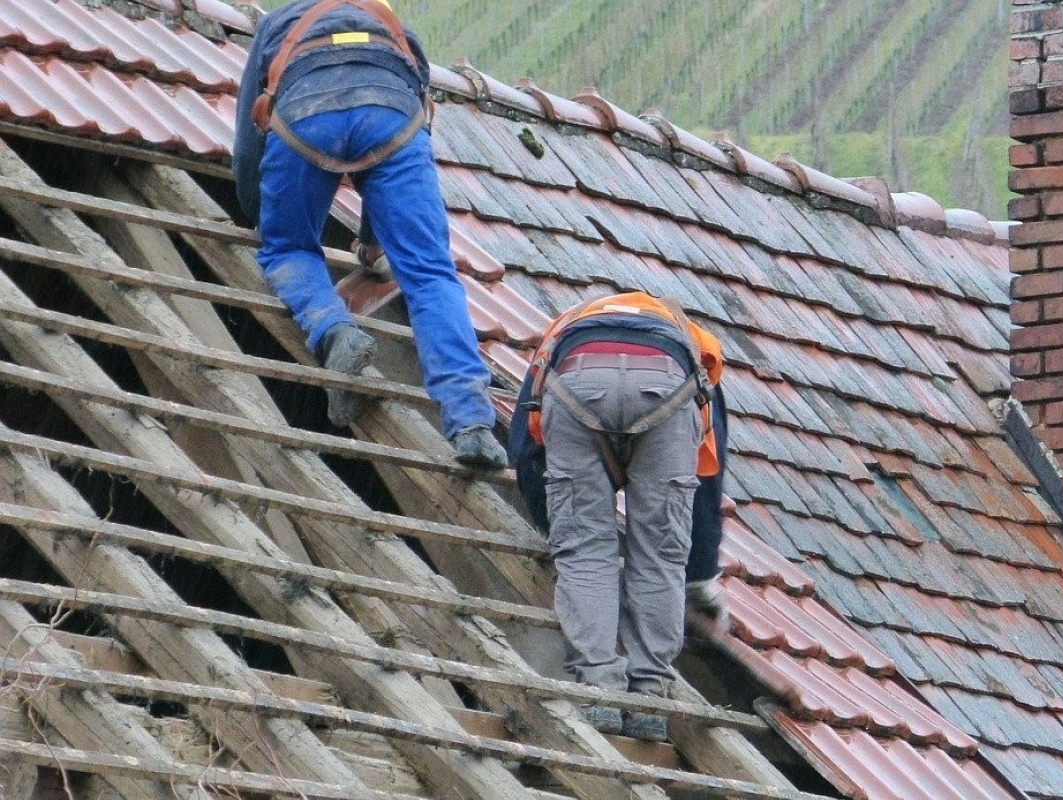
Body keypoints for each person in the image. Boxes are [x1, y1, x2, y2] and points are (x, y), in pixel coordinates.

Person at [233, 0, 505, 469]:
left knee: (290, 250)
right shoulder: (392, 25)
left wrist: (261, 218)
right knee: (429, 274)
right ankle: (473, 424)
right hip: (393, 120)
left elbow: (248, 137)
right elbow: (391, 135)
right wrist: (373, 241)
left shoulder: (280, 23)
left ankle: (335, 332)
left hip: (304, 116)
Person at [509, 291, 730, 742]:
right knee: (660, 554)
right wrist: (701, 570)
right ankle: (648, 694)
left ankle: (598, 689)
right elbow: (707, 469)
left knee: (587, 551)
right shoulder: (696, 344)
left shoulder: (561, 332)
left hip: (575, 384)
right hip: (670, 387)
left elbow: (526, 448)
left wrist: (555, 527)